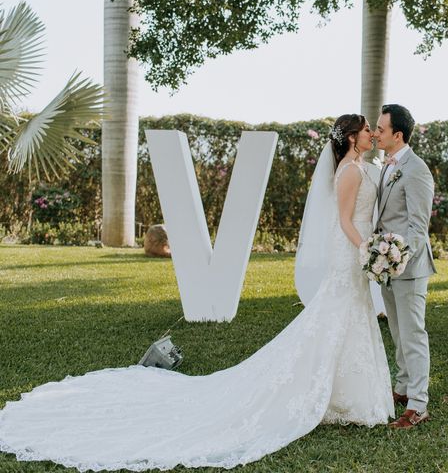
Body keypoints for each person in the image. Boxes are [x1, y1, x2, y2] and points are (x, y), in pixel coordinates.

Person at [0, 114, 394, 471]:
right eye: (365, 131)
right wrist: (367, 249)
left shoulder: (362, 165)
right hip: (351, 253)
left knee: (347, 318)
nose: (370, 135)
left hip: (357, 255)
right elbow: (343, 220)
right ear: (351, 138)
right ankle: (337, 397)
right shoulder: (349, 171)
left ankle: (347, 396)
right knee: (336, 317)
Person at [373, 104, 436, 429]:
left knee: (413, 334)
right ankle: (403, 388)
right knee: (397, 330)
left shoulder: (416, 170)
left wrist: (395, 256)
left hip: (408, 267)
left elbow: (417, 227)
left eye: (381, 129)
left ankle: (418, 405)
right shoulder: (387, 166)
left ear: (398, 135)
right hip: (387, 266)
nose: (375, 133)